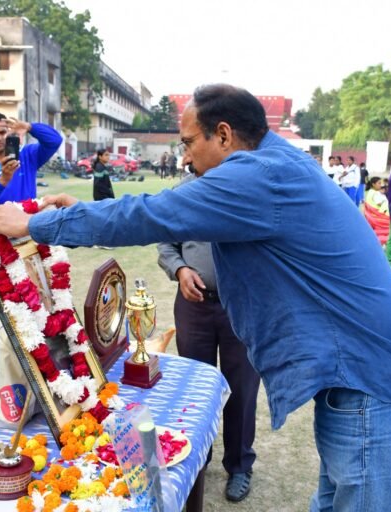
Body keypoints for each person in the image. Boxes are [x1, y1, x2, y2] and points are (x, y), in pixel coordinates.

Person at [0, 84, 391, 511]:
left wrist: (36, 224)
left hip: (376, 386)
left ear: (223, 135)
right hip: (362, 380)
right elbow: (158, 209)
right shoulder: (275, 163)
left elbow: (152, 215)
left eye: (187, 142)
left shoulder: (261, 176)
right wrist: (83, 211)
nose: (184, 157)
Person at [157, 172, 260, 503]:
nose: (188, 156)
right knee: (194, 387)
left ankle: (240, 465)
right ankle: (197, 458)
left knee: (241, 387)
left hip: (241, 306)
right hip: (194, 307)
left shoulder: (251, 188)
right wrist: (180, 269)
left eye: (191, 147)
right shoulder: (185, 192)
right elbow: (166, 242)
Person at [0, 110, 62, 247]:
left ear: (8, 132)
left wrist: (29, 127)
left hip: (28, 237)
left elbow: (55, 141)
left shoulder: (26, 155)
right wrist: (2, 180)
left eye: (2, 132)